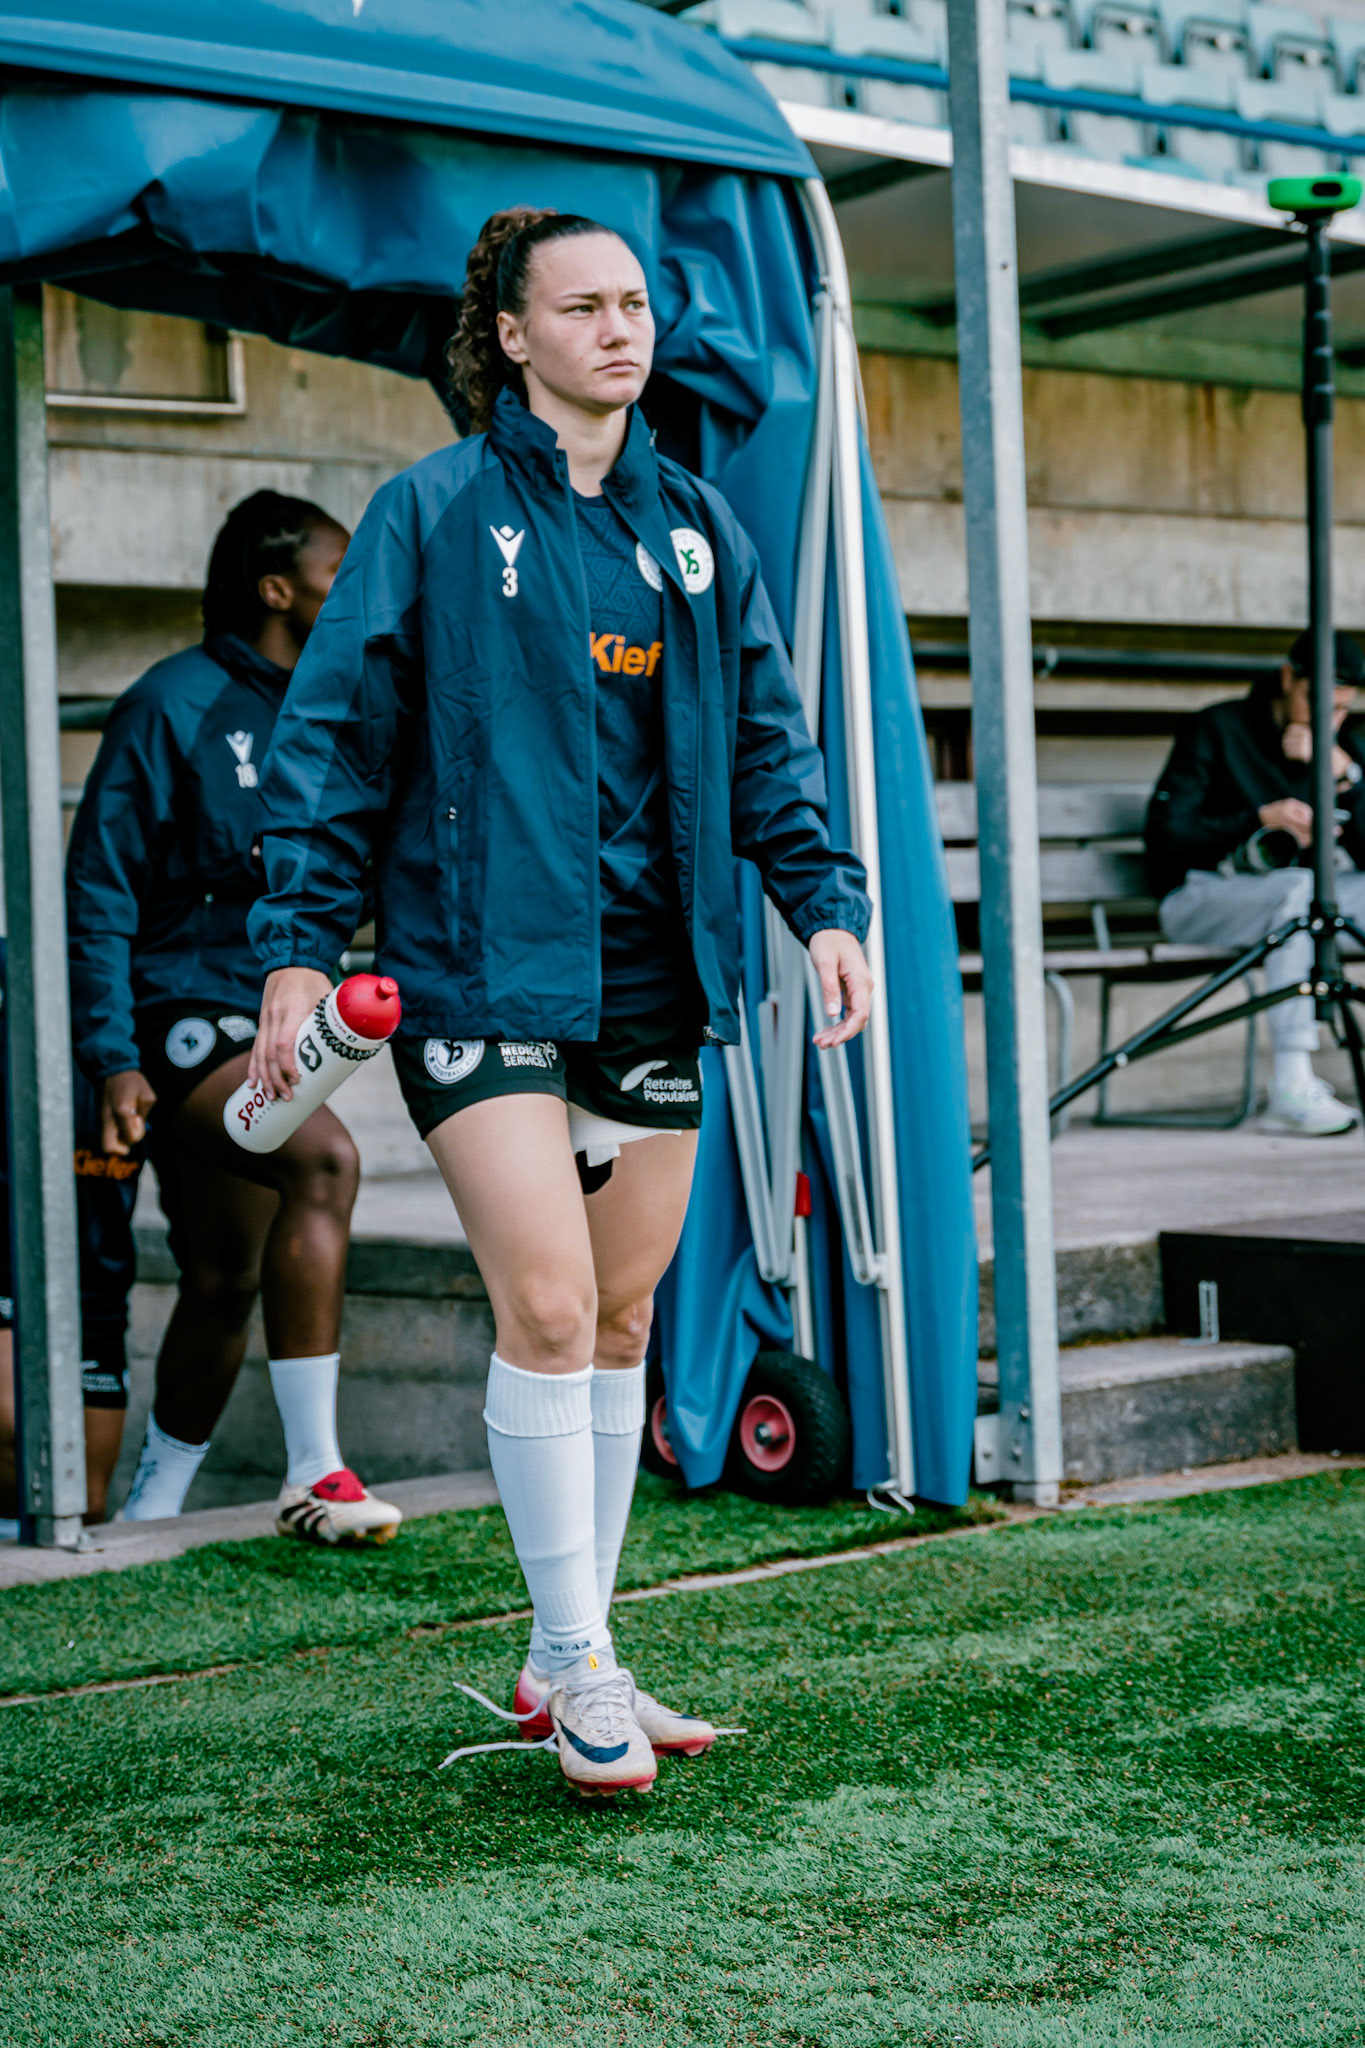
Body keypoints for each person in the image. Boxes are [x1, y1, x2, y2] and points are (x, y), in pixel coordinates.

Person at [246, 206, 874, 1797]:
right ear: (511, 337)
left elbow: (766, 753)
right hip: (476, 966)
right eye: (581, 306)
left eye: (635, 302)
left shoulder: (697, 526)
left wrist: (825, 909)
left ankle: (570, 1646)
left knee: (617, 1318)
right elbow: (329, 742)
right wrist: (302, 944)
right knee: (541, 1306)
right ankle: (581, 1658)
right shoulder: (432, 512)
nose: (619, 327)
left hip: (659, 971)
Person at [65, 491, 402, 1542]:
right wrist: (114, 1059)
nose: (353, 594)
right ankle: (314, 1469)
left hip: (277, 1017)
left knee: (221, 1274)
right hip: (179, 1019)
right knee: (326, 1160)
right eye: (335, 575)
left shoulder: (333, 714)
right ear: (275, 589)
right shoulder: (172, 703)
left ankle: (153, 1505)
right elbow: (99, 892)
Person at [1147, 628, 1365, 1136]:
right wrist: (1258, 818)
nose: (1327, 720)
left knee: (1307, 893)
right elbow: (1166, 835)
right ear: (1289, 679)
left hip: (1300, 900)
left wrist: (1345, 777)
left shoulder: (1341, 748)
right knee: (1299, 893)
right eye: (1317, 703)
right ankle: (1291, 1082)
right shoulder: (1217, 729)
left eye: (1341, 710)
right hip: (1199, 898)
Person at [0, 950, 143, 1532]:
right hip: (8, 1279)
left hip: (96, 1291)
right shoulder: (16, 1002)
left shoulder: (143, 1037)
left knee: (82, 1495)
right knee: (19, 1432)